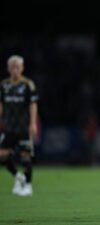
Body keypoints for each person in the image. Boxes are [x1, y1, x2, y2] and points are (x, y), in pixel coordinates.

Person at [0, 55, 39, 196]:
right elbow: (1, 104)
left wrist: (33, 123)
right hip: (9, 127)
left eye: (17, 67)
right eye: (12, 67)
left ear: (22, 68)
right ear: (8, 68)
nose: (14, 69)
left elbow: (33, 105)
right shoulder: (4, 85)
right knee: (2, 155)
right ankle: (18, 176)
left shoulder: (28, 84)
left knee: (25, 155)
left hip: (24, 126)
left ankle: (28, 185)